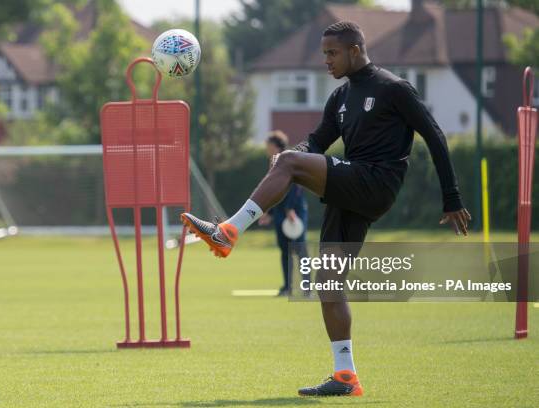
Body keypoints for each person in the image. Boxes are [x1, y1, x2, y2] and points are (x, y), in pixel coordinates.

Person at [181, 21, 471, 397]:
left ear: (355, 50)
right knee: (328, 284)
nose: (326, 62)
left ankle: (228, 232)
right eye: (323, 54)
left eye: (332, 53)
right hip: (351, 189)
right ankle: (346, 377)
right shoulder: (339, 98)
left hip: (377, 181)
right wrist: (290, 160)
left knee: (288, 162)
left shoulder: (394, 88)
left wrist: (452, 197)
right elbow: (316, 142)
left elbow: (434, 135)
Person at [258, 131, 309, 296]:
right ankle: (287, 287)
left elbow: (296, 186)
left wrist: (290, 209)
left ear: (276, 145)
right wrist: (270, 213)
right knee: (285, 250)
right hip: (280, 212)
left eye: (269, 145)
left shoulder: (289, 158)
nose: (267, 148)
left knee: (300, 249)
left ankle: (307, 288)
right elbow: (274, 190)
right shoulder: (271, 162)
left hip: (295, 211)